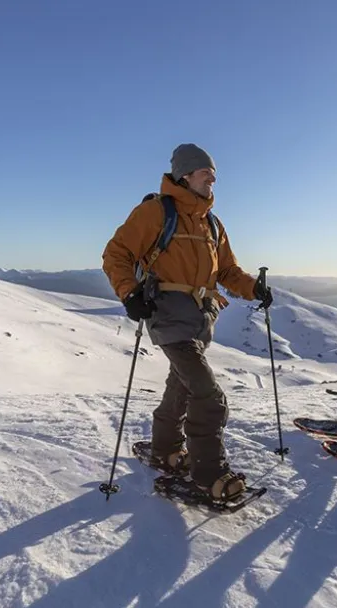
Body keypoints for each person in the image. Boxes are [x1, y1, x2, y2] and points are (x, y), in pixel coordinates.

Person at [101, 143, 273, 501]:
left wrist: (253, 289)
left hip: (200, 318)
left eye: (213, 174)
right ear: (184, 175)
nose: (212, 179)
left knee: (181, 386)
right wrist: (129, 293)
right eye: (205, 173)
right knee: (208, 395)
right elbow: (116, 254)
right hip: (166, 314)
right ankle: (207, 473)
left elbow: (226, 270)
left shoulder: (212, 223)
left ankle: (165, 449)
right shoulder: (154, 212)